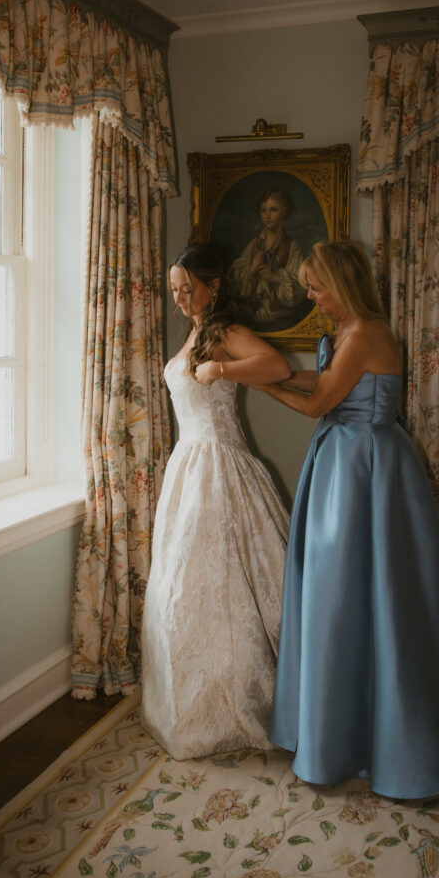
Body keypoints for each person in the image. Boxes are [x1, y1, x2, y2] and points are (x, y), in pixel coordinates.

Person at [253, 240, 439, 799]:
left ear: (341, 285)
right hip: (344, 463)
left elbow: (319, 403)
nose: (310, 296)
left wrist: (253, 381)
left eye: (316, 286)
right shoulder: (346, 332)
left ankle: (399, 741)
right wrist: (275, 376)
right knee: (341, 598)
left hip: (367, 470)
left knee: (379, 597)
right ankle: (345, 729)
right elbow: (317, 384)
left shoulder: (367, 331)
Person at [141, 243, 291, 758]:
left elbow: (274, 365)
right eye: (175, 291)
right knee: (185, 586)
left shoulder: (224, 332)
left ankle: (242, 704)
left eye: (188, 289)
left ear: (214, 285)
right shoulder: (195, 331)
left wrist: (220, 371)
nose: (180, 299)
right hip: (188, 466)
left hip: (220, 468)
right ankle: (194, 702)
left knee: (225, 586)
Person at [228, 188, 308, 330]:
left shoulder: (291, 245)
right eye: (264, 210)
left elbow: (300, 285)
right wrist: (252, 270)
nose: (267, 215)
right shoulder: (254, 245)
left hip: (281, 319)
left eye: (273, 210)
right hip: (251, 318)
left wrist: (274, 277)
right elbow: (235, 284)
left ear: (285, 212)